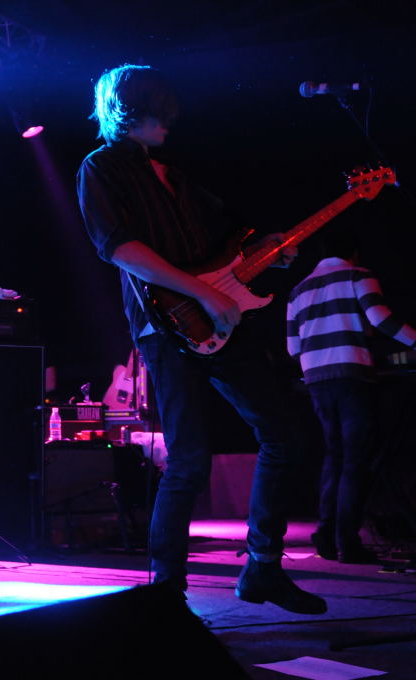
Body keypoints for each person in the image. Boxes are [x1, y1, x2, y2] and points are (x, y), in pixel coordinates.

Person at [77, 64, 326, 614]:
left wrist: (270, 252)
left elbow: (227, 248)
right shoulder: (101, 167)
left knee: (285, 435)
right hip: (164, 326)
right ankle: (167, 593)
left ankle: (262, 568)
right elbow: (119, 248)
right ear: (131, 109)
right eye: (160, 112)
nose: (170, 122)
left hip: (221, 322)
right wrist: (203, 293)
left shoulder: (179, 178)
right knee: (189, 460)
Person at [287, 225, 416, 563]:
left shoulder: (298, 290)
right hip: (351, 375)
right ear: (354, 252)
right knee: (356, 458)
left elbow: (293, 348)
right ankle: (348, 542)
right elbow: (381, 320)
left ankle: (326, 536)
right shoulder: (358, 275)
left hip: (316, 379)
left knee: (334, 455)